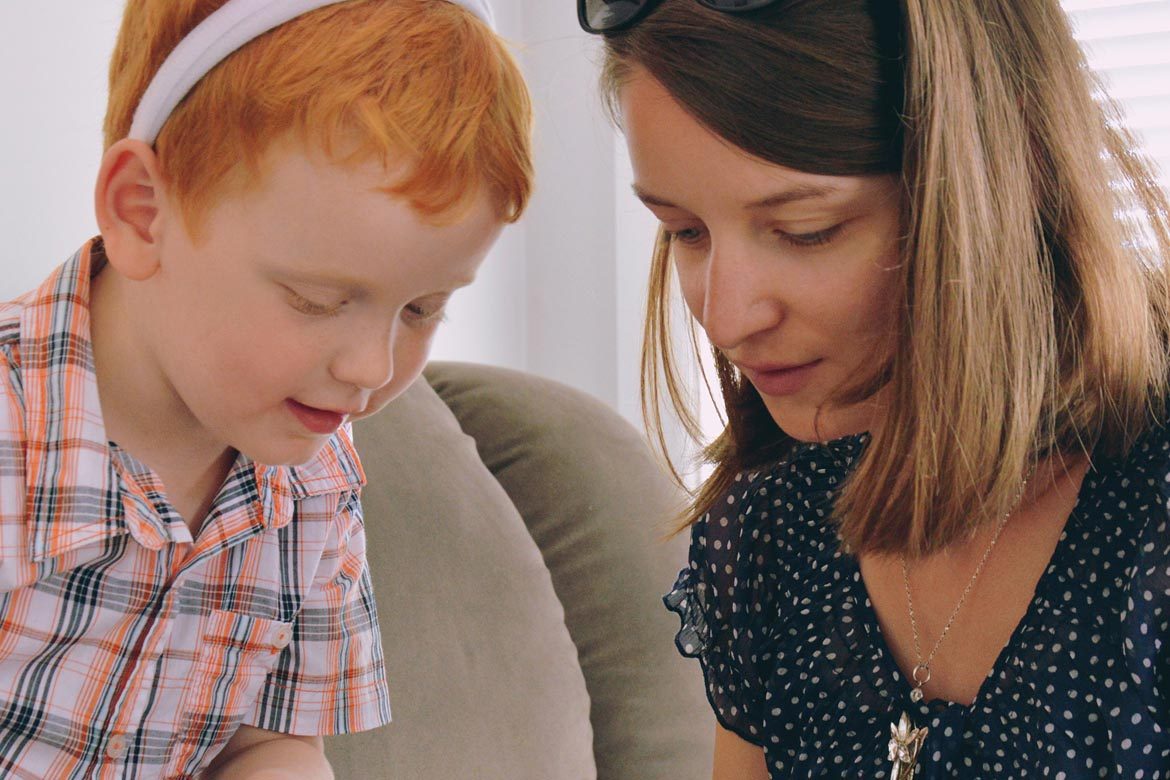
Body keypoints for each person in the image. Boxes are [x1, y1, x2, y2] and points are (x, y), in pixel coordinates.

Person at [580, 0, 1170, 777]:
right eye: (686, 231)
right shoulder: (774, 519)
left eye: (806, 231)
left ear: (992, 188)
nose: (724, 319)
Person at [0, 0, 531, 777]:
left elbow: (271, 743)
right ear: (142, 213)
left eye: (423, 309)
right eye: (316, 299)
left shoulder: (318, 478)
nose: (371, 368)